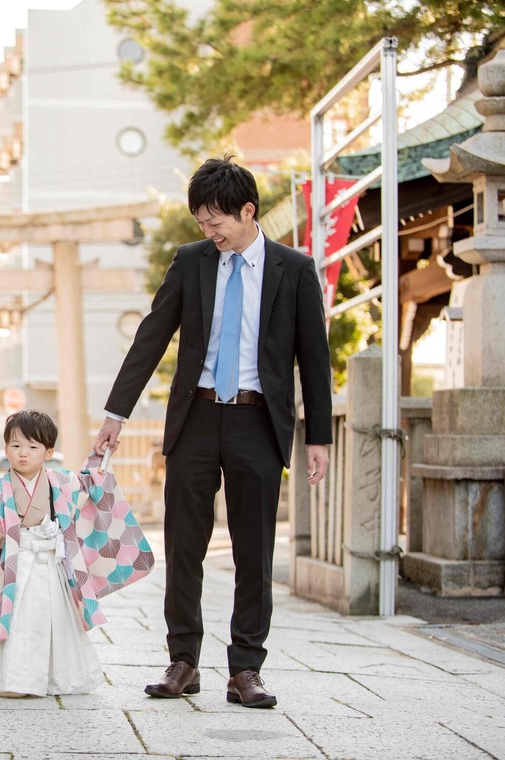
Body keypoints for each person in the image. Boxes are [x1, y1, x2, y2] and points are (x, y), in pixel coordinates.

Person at [93, 157, 332, 708]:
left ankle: (245, 668)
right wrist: (116, 414)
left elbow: (313, 359)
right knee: (184, 547)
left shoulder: (293, 269)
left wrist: (317, 437)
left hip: (257, 421)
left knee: (254, 550)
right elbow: (151, 338)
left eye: (217, 221)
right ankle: (184, 661)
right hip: (196, 419)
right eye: (202, 222)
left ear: (248, 211)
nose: (210, 231)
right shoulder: (192, 262)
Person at [0, 410, 154, 697]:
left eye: (33, 447)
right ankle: (17, 681)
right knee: (22, 621)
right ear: (5, 448)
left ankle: (63, 677)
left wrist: (99, 457)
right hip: (18, 567)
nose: (23, 454)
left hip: (54, 564)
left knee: (59, 619)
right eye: (16, 446)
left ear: (49, 451)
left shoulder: (61, 481)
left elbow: (89, 485)